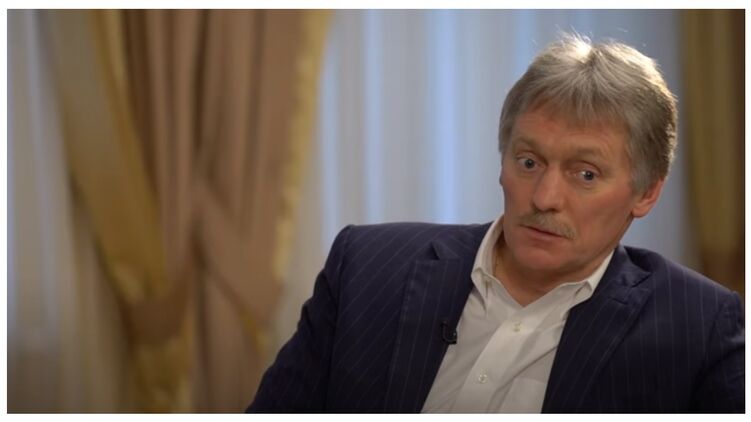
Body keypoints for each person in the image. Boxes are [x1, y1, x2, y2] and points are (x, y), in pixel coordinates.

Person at [247, 34, 744, 413]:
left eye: (585, 174)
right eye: (528, 162)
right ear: (502, 160)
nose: (544, 198)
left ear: (646, 192)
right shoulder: (367, 268)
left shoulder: (701, 329)